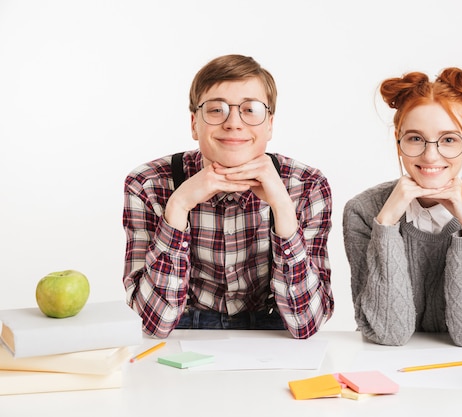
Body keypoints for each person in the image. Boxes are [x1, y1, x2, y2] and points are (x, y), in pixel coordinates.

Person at [123, 54, 334, 339]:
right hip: (183, 331)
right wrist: (179, 204)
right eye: (216, 109)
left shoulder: (307, 185)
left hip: (274, 333)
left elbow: (305, 324)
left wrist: (283, 208)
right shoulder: (147, 183)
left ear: (269, 124)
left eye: (250, 110)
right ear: (194, 124)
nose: (233, 123)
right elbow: (155, 322)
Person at [342, 68, 462, 348]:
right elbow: (388, 333)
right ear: (398, 140)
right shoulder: (364, 211)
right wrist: (386, 226)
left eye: (448, 139)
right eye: (415, 138)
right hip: (387, 369)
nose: (430, 155)